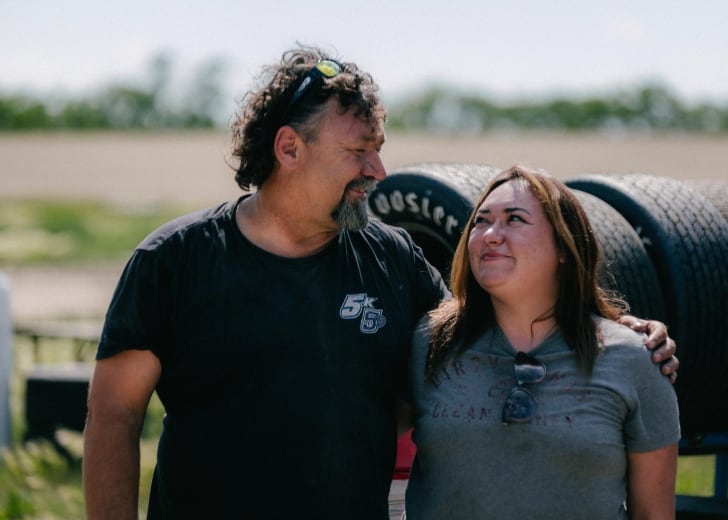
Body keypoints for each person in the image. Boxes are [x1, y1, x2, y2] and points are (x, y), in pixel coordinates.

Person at [82, 46, 678, 519]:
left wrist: (617, 330)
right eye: (359, 151)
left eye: (380, 149)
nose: (378, 171)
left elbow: (487, 323)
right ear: (289, 148)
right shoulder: (175, 262)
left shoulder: (391, 259)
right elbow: (114, 417)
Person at [401, 165, 680, 519]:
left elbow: (654, 514)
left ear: (564, 247)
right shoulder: (429, 342)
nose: (490, 234)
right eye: (481, 221)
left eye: (514, 219)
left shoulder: (635, 358)